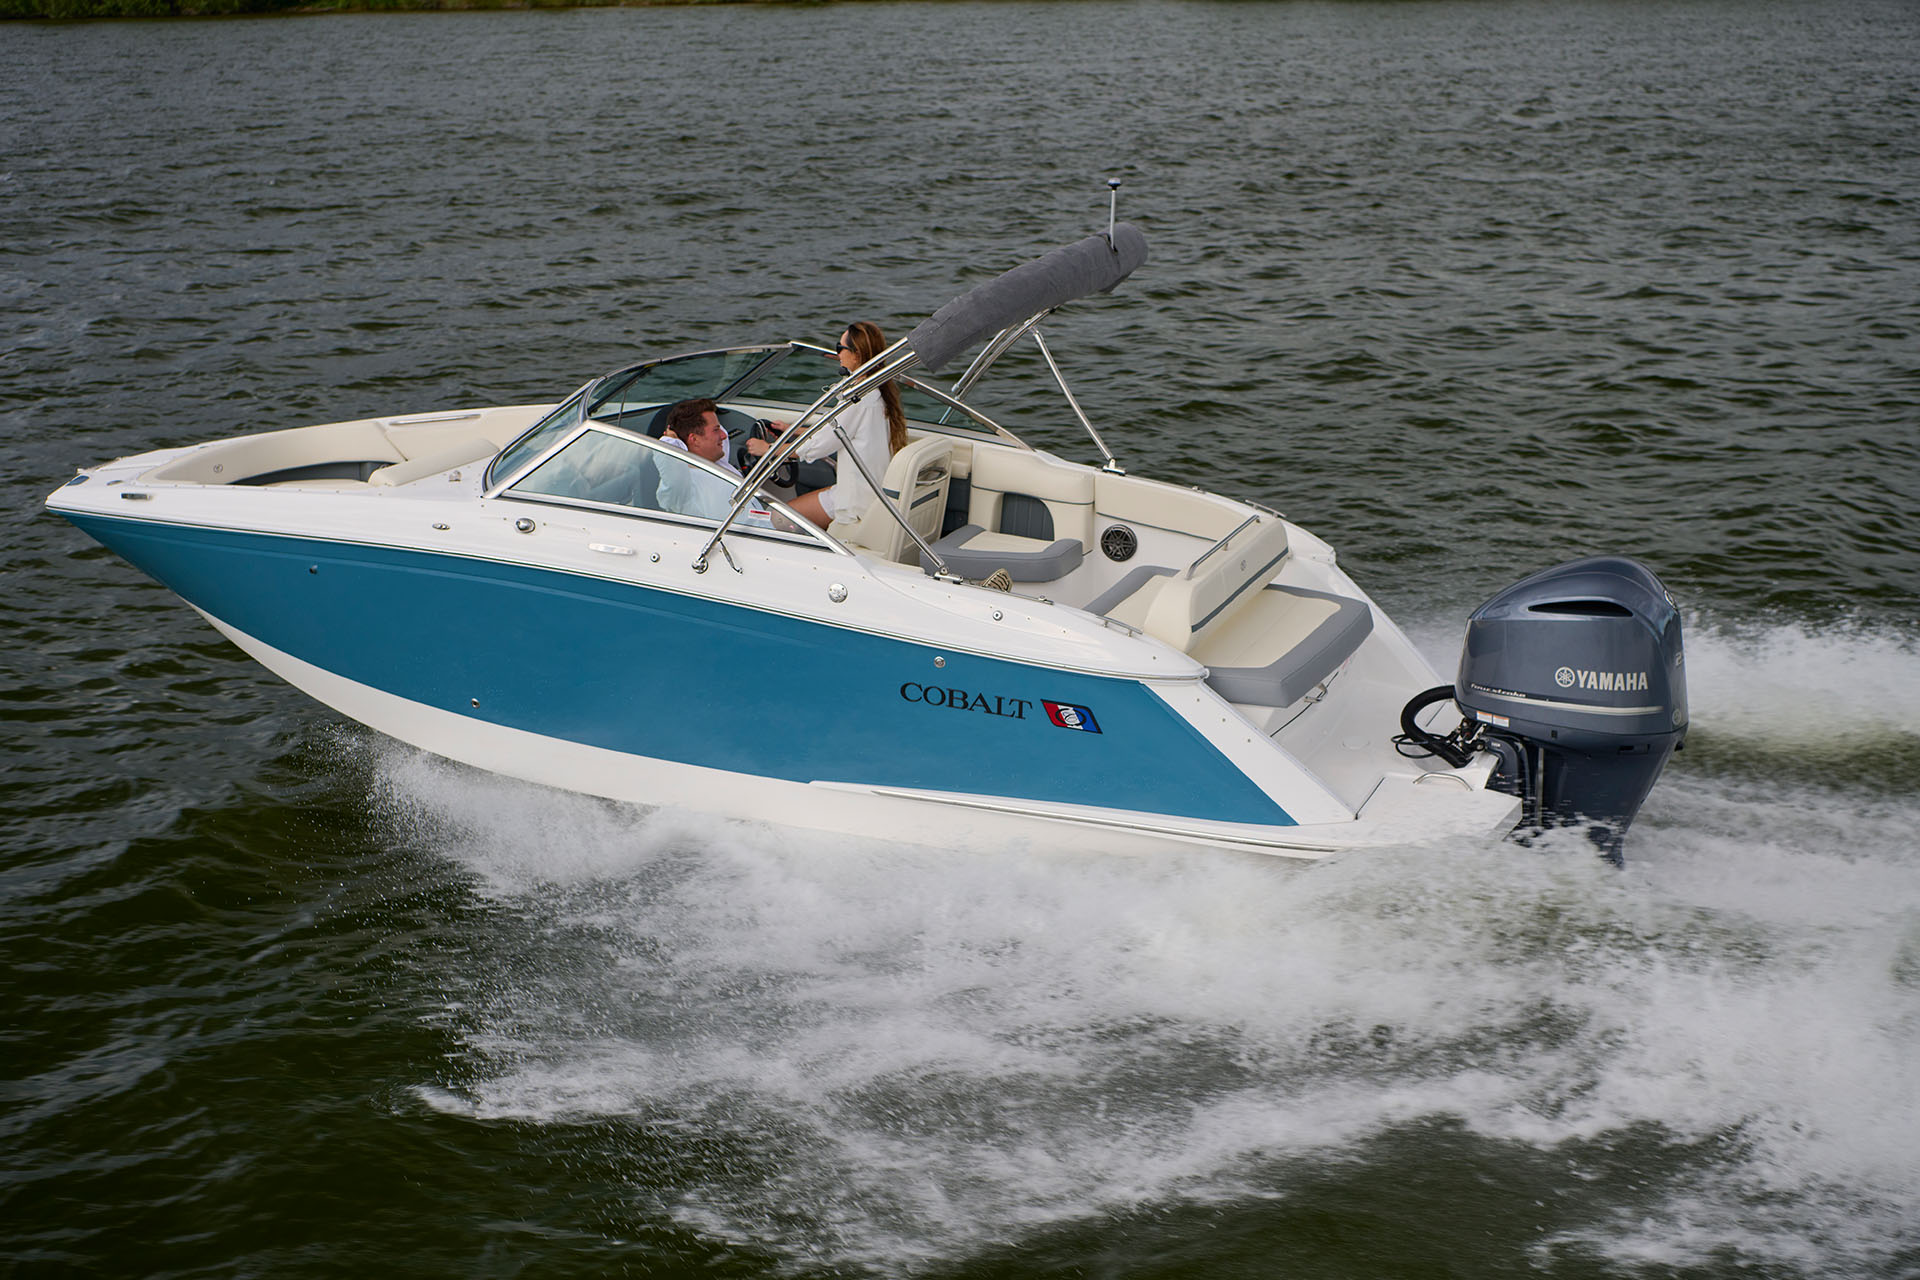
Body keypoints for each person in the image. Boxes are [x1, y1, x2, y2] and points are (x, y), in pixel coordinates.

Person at [746, 321, 907, 530]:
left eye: (840, 348)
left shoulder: (858, 399)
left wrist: (767, 449)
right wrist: (792, 430)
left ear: (856, 355)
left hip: (855, 501)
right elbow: (838, 432)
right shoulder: (876, 392)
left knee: (777, 518)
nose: (837, 354)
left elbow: (817, 447)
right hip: (865, 491)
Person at [655, 398, 775, 527]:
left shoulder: (720, 463)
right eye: (716, 430)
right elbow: (669, 462)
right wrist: (670, 441)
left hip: (760, 521)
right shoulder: (683, 488)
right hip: (747, 535)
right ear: (694, 439)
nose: (724, 435)